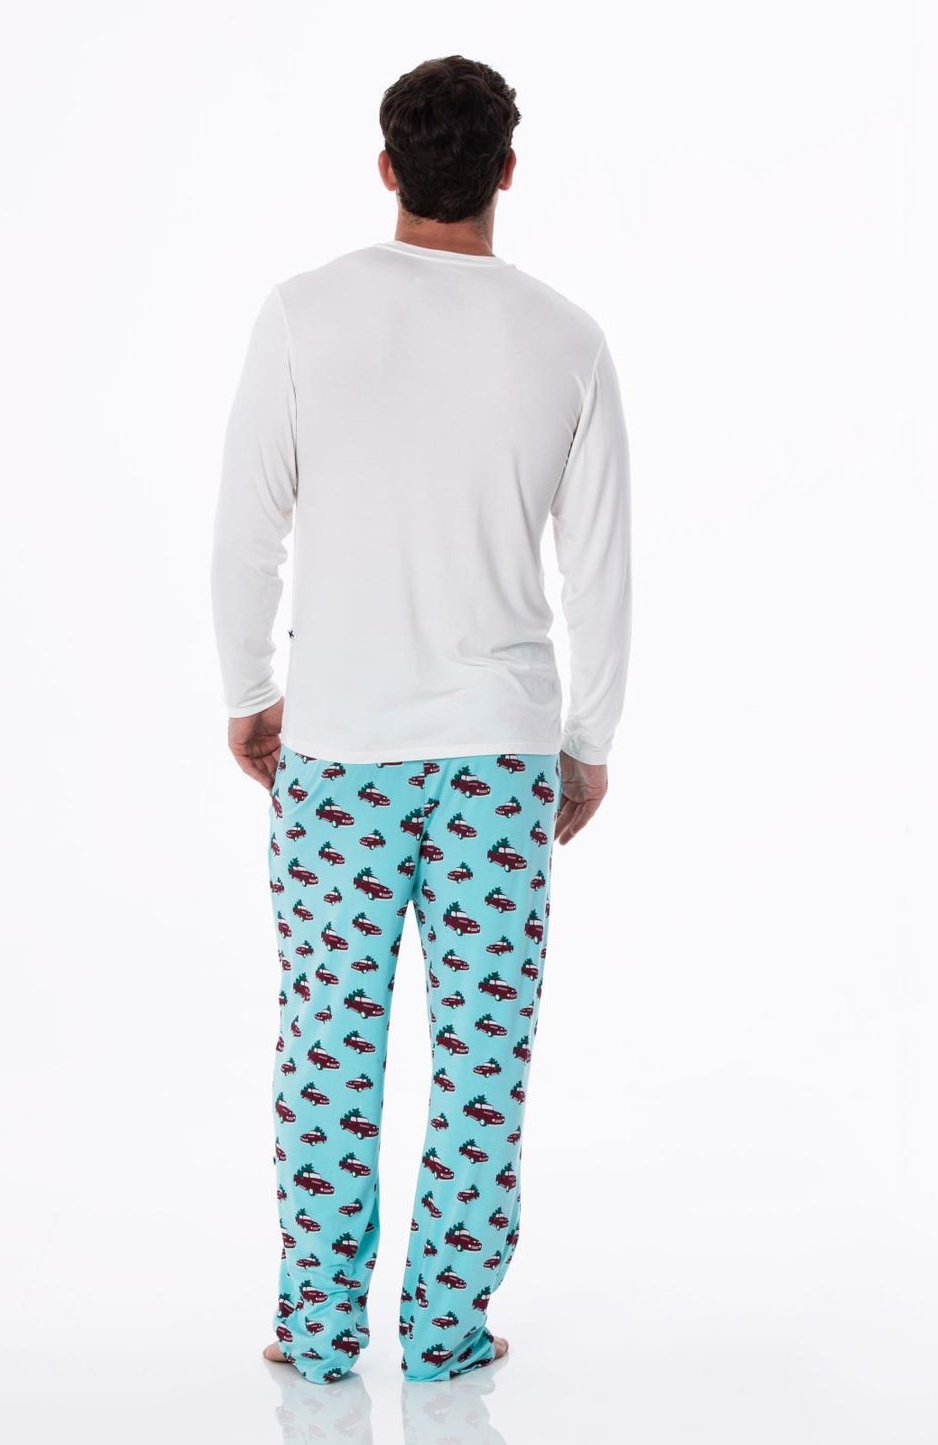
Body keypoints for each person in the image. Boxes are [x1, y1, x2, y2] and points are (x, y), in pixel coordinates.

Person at [210, 54, 633, 1385]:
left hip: (338, 745)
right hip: (500, 750)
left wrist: (248, 693)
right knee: (483, 1054)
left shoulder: (304, 313)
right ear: (507, 169)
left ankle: (317, 1329)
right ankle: (445, 1330)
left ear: (386, 166)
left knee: (328, 1049)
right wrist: (588, 739)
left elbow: (245, 531)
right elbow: (602, 570)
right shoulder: (566, 338)